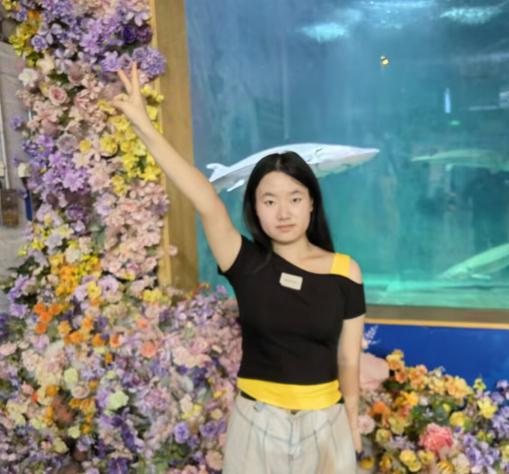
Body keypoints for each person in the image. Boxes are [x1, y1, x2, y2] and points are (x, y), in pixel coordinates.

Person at [112, 63, 366, 473]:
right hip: (256, 422)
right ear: (255, 209)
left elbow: (349, 360)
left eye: (294, 198)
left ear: (312, 203)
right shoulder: (245, 261)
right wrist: (144, 126)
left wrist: (351, 423)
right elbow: (204, 198)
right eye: (269, 201)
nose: (283, 212)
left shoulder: (345, 271)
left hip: (326, 423)